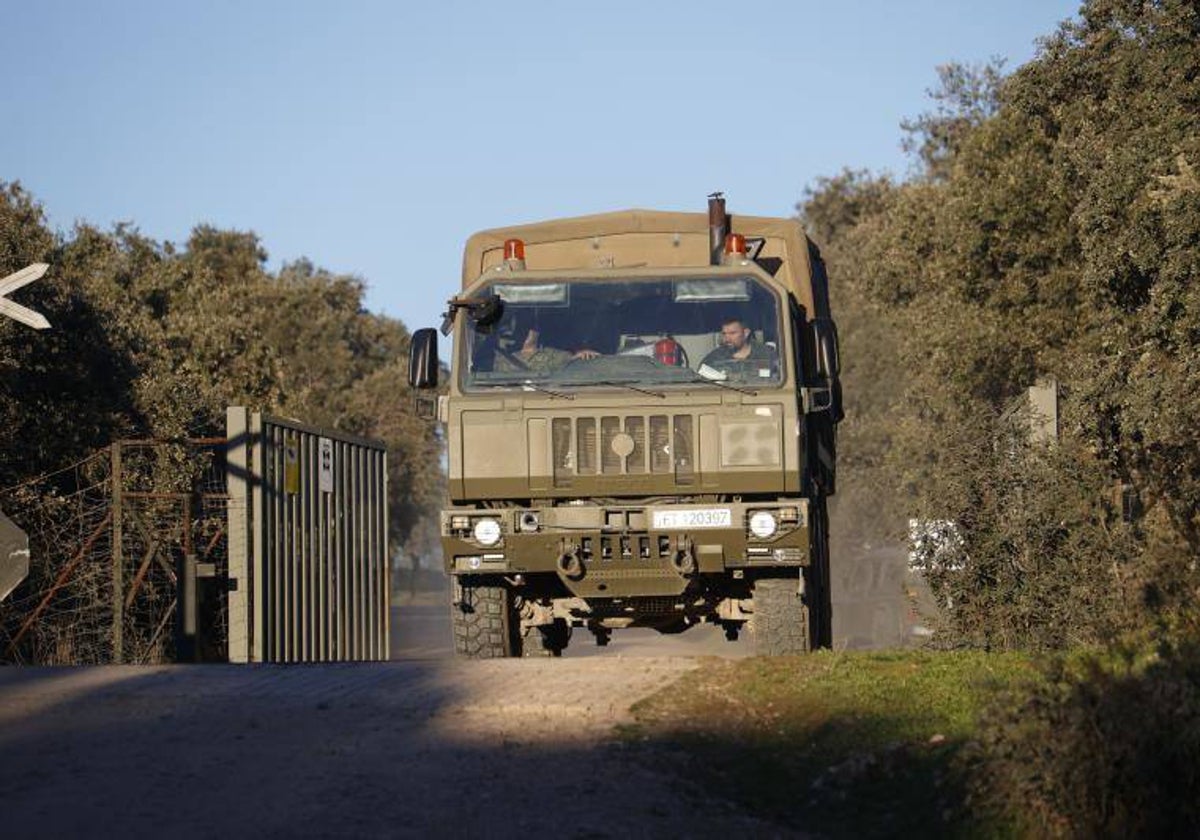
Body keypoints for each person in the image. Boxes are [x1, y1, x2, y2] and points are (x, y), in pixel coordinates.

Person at [699, 317, 778, 381]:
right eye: (724, 334)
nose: (727, 338)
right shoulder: (714, 358)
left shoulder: (765, 354)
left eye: (732, 333)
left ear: (746, 333)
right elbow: (701, 379)